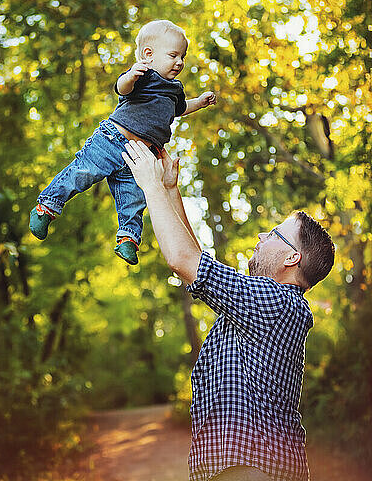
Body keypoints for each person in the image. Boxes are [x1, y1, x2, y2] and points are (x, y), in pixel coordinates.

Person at [121, 140, 336, 481]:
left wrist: (149, 185)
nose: (263, 235)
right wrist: (171, 190)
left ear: (291, 258)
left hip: (252, 469)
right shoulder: (263, 306)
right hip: (245, 468)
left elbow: (184, 261)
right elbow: (197, 261)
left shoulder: (277, 303)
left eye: (275, 234)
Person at [29, 19, 216, 264]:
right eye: (173, 55)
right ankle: (47, 206)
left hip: (140, 156)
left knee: (134, 198)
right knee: (83, 172)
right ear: (148, 55)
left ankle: (128, 239)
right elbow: (122, 89)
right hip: (112, 141)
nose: (179, 62)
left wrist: (200, 102)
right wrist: (130, 76)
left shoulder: (174, 89)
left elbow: (178, 110)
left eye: (183, 56)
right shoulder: (143, 75)